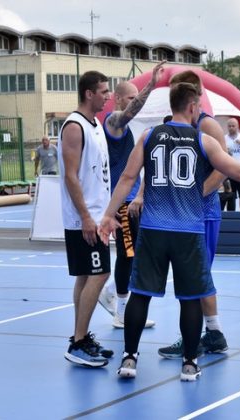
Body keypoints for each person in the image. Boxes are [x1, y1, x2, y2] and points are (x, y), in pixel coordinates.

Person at [98, 82, 240, 381]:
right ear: (194, 107)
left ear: (172, 105)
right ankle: (190, 363)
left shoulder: (147, 136)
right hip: (188, 230)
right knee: (191, 298)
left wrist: (108, 215)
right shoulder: (204, 140)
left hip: (154, 228)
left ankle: (129, 359)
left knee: (140, 295)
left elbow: (128, 178)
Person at [157, 71, 229, 359]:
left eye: (181, 91)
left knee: (194, 277)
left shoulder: (207, 125)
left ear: (196, 94)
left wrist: (195, 196)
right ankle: (213, 332)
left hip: (203, 213)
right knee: (197, 275)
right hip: (184, 214)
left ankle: (196, 337)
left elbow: (223, 169)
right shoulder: (175, 125)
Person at [97, 61, 165, 329]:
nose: (135, 104)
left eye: (136, 99)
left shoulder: (129, 130)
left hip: (135, 198)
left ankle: (112, 291)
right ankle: (121, 312)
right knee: (128, 255)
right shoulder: (112, 122)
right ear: (117, 99)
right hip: (122, 201)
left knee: (140, 253)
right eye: (130, 98)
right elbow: (127, 113)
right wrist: (151, 85)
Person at [58, 70, 113, 368]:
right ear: (89, 93)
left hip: (95, 216)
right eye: (103, 91)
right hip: (84, 219)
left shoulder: (96, 125)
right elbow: (70, 176)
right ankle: (78, 343)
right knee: (100, 274)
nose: (107, 96)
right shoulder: (74, 126)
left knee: (85, 275)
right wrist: (87, 218)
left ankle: (80, 337)